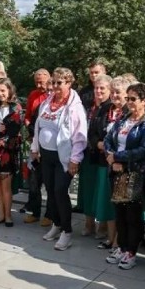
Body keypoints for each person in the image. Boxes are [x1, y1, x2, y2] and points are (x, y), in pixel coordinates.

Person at [30, 67, 87, 251]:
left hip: (64, 157)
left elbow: (80, 135)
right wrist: (35, 148)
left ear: (69, 83)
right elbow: (38, 126)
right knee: (51, 191)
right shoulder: (47, 102)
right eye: (53, 82)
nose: (54, 86)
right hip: (46, 155)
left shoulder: (74, 107)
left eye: (59, 83)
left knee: (61, 191)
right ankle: (57, 223)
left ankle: (67, 231)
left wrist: (75, 159)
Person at [103, 83, 145, 270]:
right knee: (119, 212)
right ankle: (122, 246)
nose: (129, 102)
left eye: (133, 99)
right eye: (128, 98)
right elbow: (109, 139)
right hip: (116, 171)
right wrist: (112, 158)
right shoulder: (123, 119)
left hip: (134, 173)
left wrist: (119, 158)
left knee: (132, 214)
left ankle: (131, 251)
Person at [95, 76, 130, 251]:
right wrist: (98, 143)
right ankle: (110, 238)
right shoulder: (105, 109)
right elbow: (93, 130)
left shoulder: (129, 113)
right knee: (108, 202)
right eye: (113, 91)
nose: (115, 95)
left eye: (119, 92)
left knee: (120, 202)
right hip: (104, 162)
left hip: (122, 164)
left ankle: (119, 240)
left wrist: (113, 152)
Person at [77, 73, 112, 237]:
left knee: (103, 191)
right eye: (97, 88)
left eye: (102, 88)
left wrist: (101, 143)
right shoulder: (90, 107)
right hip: (89, 152)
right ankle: (89, 223)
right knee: (88, 189)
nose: (98, 91)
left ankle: (103, 226)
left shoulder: (111, 108)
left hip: (104, 156)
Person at [0, 78, 23, 227]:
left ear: (9, 90)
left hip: (8, 150)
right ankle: (0, 213)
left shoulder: (16, 107)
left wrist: (0, 142)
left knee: (6, 184)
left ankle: (8, 215)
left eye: (3, 90)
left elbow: (15, 131)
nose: (0, 93)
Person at [23, 68, 51, 224]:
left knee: (49, 182)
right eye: (37, 82)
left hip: (49, 145)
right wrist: (29, 128)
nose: (40, 85)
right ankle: (34, 211)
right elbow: (27, 117)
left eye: (43, 81)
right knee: (34, 180)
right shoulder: (33, 95)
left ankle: (49, 214)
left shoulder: (54, 96)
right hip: (35, 142)